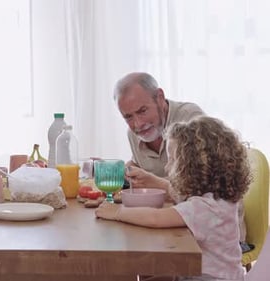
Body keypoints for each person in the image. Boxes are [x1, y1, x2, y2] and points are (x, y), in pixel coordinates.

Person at [96, 116, 251, 281]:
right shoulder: (218, 198)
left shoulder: (203, 208)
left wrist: (118, 212)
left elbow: (155, 218)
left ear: (192, 166)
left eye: (173, 160)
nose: (166, 166)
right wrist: (151, 181)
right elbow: (176, 193)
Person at [113, 72, 204, 190]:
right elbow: (139, 165)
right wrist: (116, 172)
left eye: (142, 111)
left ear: (160, 97)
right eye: (128, 117)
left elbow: (202, 180)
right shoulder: (133, 133)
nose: (138, 124)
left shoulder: (190, 119)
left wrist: (154, 183)